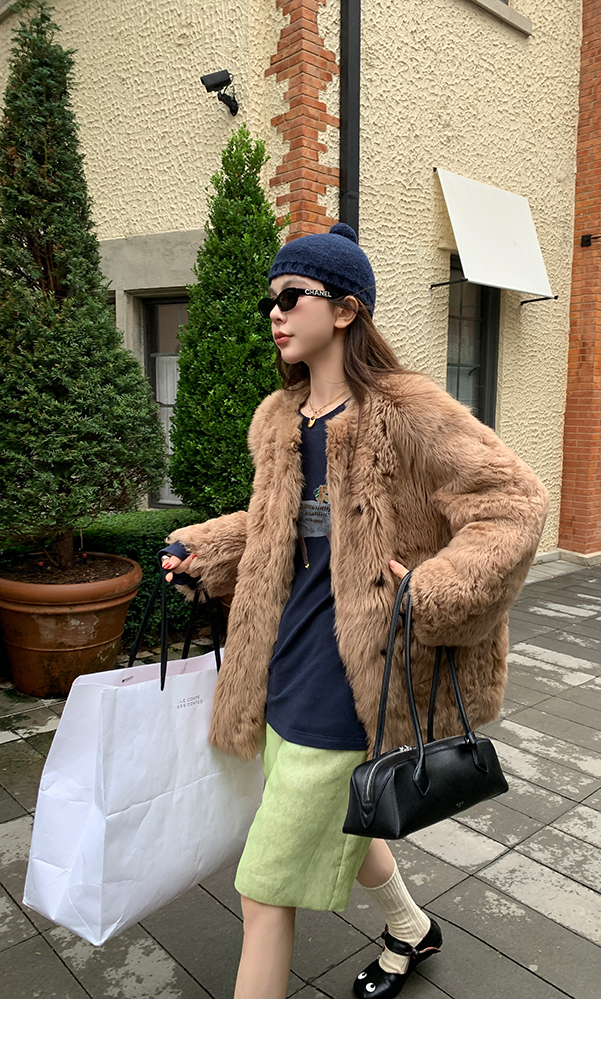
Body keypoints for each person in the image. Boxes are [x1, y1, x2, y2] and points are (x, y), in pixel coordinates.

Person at [161, 223, 548, 1000]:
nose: (276, 313)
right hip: (283, 661)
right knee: (343, 812)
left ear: (345, 309)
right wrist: (208, 552)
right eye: (271, 300)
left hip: (354, 679)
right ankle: (411, 927)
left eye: (292, 296)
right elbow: (276, 530)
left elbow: (515, 502)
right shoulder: (279, 419)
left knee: (262, 891)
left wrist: (433, 589)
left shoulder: (406, 411)